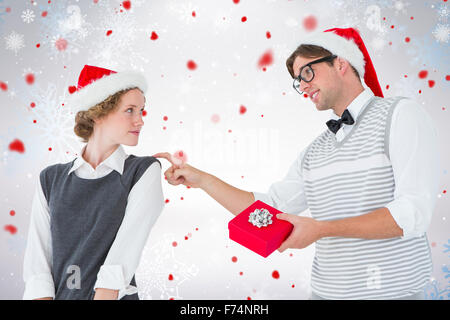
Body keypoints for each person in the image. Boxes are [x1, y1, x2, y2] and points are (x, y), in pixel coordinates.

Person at [155, 28, 440, 300]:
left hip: (392, 292)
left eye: (307, 72)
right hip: (323, 292)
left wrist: (322, 229)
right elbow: (270, 209)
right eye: (297, 80)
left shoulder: (400, 115)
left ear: (340, 63)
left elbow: (413, 213)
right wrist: (203, 180)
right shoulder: (314, 152)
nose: (302, 86)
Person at [23, 65, 165, 300]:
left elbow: (119, 264)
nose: (140, 121)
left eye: (142, 111)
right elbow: (38, 268)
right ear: (98, 113)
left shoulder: (142, 172)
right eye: (130, 110)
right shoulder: (50, 179)